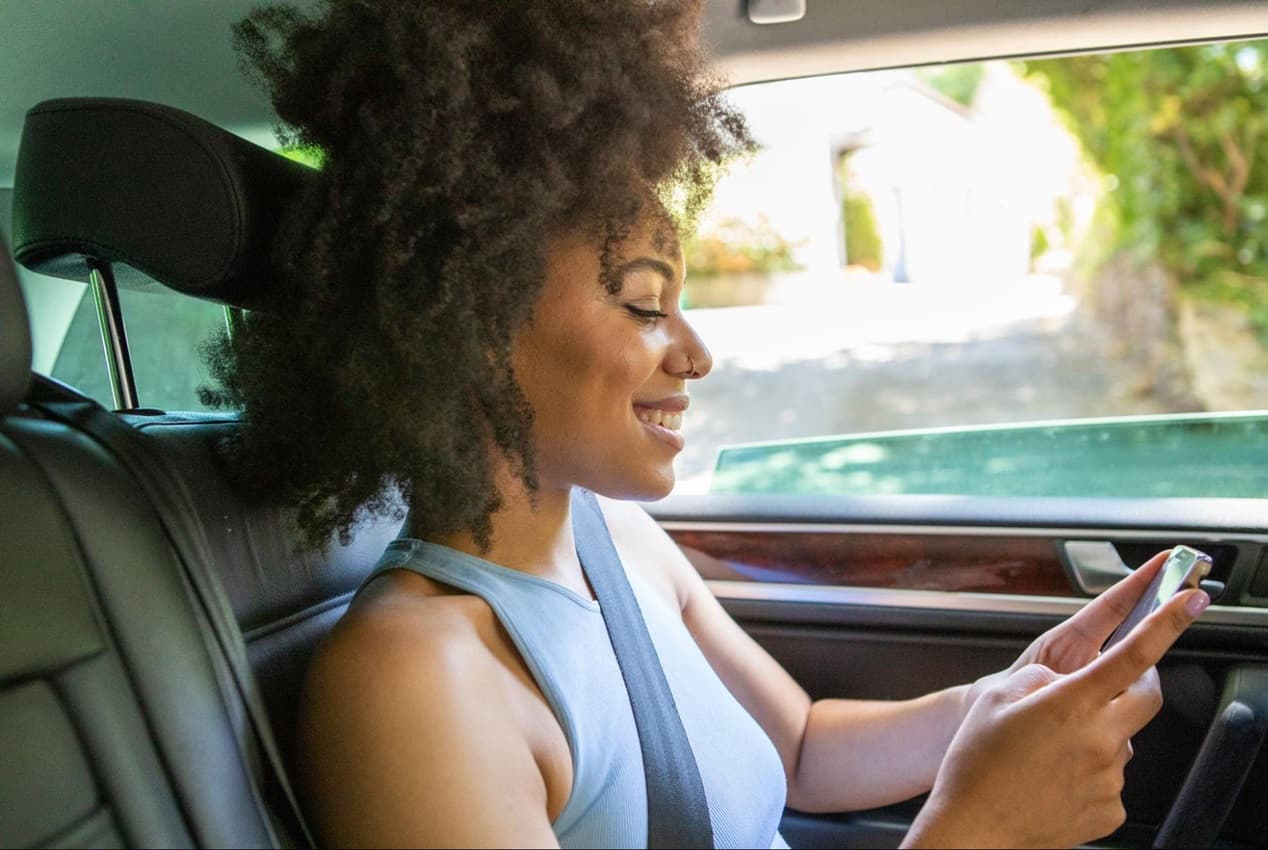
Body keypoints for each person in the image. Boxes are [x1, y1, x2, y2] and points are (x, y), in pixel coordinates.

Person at [203, 1, 1212, 847]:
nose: (693, 353)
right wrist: (976, 825)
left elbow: (802, 747)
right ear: (468, 323)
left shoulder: (617, 541)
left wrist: (999, 705)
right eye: (645, 304)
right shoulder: (413, 680)